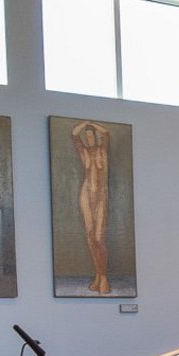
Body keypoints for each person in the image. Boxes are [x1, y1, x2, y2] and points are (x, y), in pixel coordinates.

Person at [70, 120, 113, 294]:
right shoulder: (84, 152)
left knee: (98, 238)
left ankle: (104, 277)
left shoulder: (103, 151)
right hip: (86, 195)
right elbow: (74, 135)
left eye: (91, 136)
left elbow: (106, 133)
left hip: (101, 196)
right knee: (89, 237)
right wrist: (84, 124)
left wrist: (93, 124)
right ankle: (98, 275)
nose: (89, 139)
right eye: (86, 137)